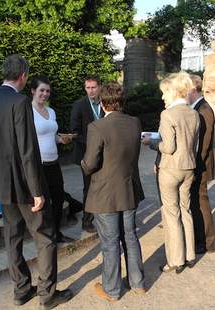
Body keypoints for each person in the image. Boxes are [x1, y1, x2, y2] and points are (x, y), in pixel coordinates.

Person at [0, 54, 72, 309]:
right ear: (23, 76)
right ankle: (47, 294)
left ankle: (21, 290)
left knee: (12, 237)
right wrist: (37, 191)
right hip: (24, 185)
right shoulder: (20, 103)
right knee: (45, 236)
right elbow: (27, 151)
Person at [81, 82, 145, 301]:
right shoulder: (135, 123)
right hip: (128, 189)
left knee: (110, 242)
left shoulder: (97, 127)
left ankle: (112, 290)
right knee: (130, 237)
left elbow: (89, 164)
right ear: (122, 100)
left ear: (102, 102)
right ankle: (138, 283)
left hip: (106, 194)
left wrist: (82, 163)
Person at [143, 71, 200, 273]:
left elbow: (168, 147)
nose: (162, 97)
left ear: (174, 92)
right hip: (189, 168)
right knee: (186, 210)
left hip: (170, 169)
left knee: (171, 214)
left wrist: (151, 143)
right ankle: (190, 254)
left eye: (164, 93)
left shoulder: (167, 114)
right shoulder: (194, 113)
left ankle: (176, 260)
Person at [30, 75, 75, 243]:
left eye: (48, 91)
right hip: (39, 165)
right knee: (44, 203)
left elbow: (52, 136)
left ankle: (56, 234)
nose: (45, 94)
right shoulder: (29, 111)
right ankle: (45, 238)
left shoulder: (51, 111)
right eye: (41, 90)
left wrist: (61, 139)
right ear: (33, 91)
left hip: (54, 163)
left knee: (57, 200)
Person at [70, 75, 104, 233]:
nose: (91, 91)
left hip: (106, 154)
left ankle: (105, 219)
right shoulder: (79, 105)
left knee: (104, 188)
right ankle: (87, 221)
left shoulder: (105, 103)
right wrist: (93, 144)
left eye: (93, 87)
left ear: (99, 87)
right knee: (89, 188)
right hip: (86, 155)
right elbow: (74, 131)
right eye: (88, 88)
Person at [188, 74, 215, 254]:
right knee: (198, 200)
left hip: (202, 164)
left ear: (192, 89)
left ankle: (208, 241)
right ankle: (203, 239)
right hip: (200, 162)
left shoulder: (203, 109)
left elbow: (204, 144)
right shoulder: (199, 107)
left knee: (201, 201)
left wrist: (196, 165)